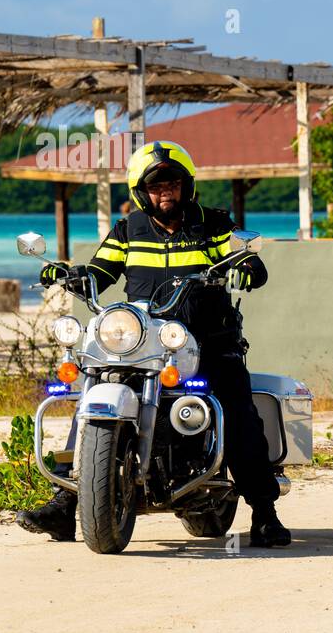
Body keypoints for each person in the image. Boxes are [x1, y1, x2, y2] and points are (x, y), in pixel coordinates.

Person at [16, 141, 293, 546]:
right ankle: (66, 503)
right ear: (140, 192)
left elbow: (240, 258)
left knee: (236, 409)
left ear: (187, 186)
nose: (166, 192)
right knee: (90, 393)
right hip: (143, 341)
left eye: (173, 183)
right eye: (157, 186)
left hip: (206, 341)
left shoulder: (212, 225)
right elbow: (99, 271)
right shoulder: (129, 230)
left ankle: (265, 514)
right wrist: (70, 275)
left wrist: (246, 266)